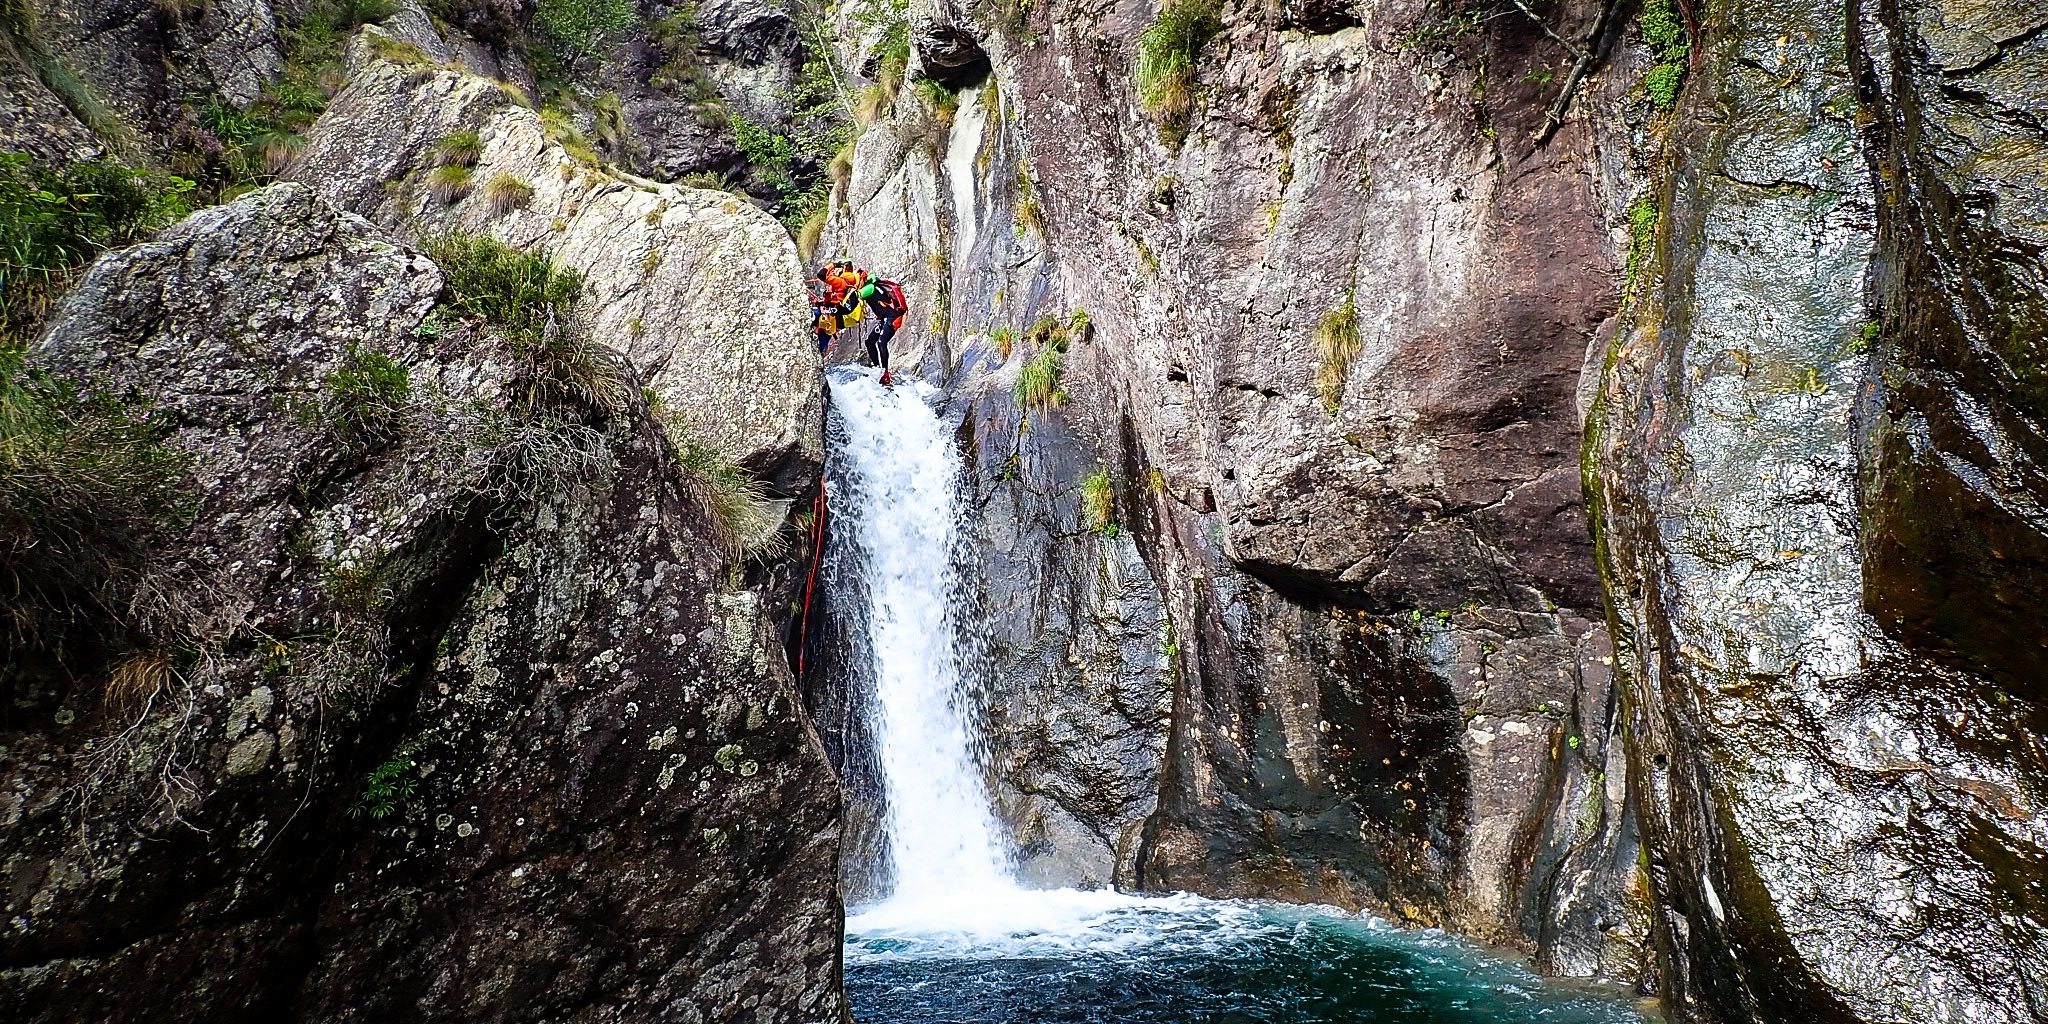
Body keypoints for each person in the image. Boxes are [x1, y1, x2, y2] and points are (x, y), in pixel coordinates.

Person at [840, 276, 908, 386]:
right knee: (870, 342)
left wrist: (841, 310)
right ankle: (877, 368)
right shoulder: (871, 286)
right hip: (885, 318)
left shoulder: (869, 288)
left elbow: (855, 298)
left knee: (882, 342)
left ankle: (885, 373)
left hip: (893, 318)